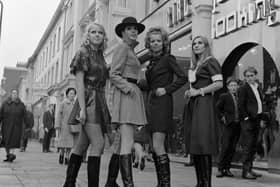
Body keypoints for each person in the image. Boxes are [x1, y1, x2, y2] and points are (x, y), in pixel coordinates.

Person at [63, 22, 111, 187]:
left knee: (82, 145)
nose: (97, 35)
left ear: (104, 36)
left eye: (100, 32)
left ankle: (69, 183)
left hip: (99, 100)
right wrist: (82, 108)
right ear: (87, 35)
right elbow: (79, 83)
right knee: (98, 143)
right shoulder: (82, 52)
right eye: (93, 32)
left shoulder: (100, 56)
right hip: (89, 101)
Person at [141, 26, 186, 186]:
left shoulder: (168, 58)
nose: (155, 43)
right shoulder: (151, 62)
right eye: (152, 41)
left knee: (158, 144)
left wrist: (167, 89)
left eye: (158, 41)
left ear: (164, 42)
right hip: (151, 103)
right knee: (153, 145)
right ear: (148, 43)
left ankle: (165, 184)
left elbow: (183, 77)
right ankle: (161, 183)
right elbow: (150, 84)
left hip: (163, 103)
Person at [110, 16, 147, 187]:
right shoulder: (122, 47)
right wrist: (129, 87)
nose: (134, 31)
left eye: (136, 29)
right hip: (126, 96)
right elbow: (113, 74)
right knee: (126, 142)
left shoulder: (130, 50)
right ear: (123, 32)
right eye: (130, 28)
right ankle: (128, 184)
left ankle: (115, 183)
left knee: (125, 142)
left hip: (132, 96)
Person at [184, 36, 223, 187]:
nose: (196, 45)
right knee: (196, 145)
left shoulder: (211, 61)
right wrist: (190, 92)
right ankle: (200, 183)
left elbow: (219, 84)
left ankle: (206, 184)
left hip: (204, 104)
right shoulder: (195, 65)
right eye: (194, 43)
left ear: (206, 46)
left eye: (200, 43)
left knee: (203, 143)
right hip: (194, 104)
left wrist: (199, 91)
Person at [238, 66, 264, 180]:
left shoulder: (257, 87)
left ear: (255, 76)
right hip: (248, 121)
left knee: (253, 146)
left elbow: (259, 102)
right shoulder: (243, 88)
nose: (249, 78)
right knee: (247, 146)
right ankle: (245, 172)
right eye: (247, 76)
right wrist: (246, 118)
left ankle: (250, 169)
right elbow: (240, 105)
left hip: (257, 119)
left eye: (251, 75)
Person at [216, 78, 241, 178]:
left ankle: (227, 168)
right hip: (228, 125)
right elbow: (217, 108)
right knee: (225, 147)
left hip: (237, 125)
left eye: (235, 85)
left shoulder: (239, 97)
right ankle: (220, 169)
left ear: (238, 87)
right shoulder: (224, 96)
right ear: (228, 87)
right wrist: (222, 117)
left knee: (232, 148)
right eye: (231, 85)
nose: (234, 87)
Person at [0, 89, 29, 162]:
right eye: (13, 93)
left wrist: (28, 125)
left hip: (16, 127)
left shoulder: (21, 105)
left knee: (13, 142)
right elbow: (0, 114)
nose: (14, 94)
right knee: (6, 142)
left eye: (16, 93)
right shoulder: (5, 104)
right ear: (11, 94)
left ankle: (11, 155)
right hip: (6, 126)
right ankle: (8, 155)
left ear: (17, 95)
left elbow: (25, 115)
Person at [55, 87, 79, 165]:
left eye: (74, 94)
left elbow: (78, 115)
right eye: (71, 93)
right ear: (67, 94)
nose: (72, 95)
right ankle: (61, 155)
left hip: (71, 126)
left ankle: (67, 157)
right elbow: (59, 115)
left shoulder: (75, 104)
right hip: (64, 126)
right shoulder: (63, 103)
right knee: (63, 144)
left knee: (70, 144)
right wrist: (58, 125)